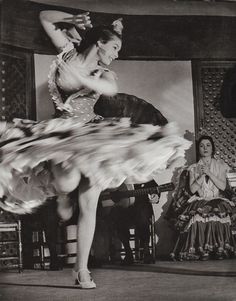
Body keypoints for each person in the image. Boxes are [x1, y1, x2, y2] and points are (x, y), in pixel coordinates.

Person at [0, 9, 191, 289]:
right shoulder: (67, 52)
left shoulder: (106, 74)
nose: (116, 54)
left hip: (91, 136)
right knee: (67, 183)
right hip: (62, 134)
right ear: (99, 42)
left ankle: (82, 270)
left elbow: (109, 90)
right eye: (114, 47)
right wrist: (72, 19)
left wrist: (85, 78)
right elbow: (44, 17)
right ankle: (63, 196)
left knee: (89, 204)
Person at [169, 135, 236, 261]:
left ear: (212, 148)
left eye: (208, 145)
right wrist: (202, 174)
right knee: (197, 217)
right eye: (201, 146)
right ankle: (200, 250)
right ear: (198, 149)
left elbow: (222, 186)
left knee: (220, 215)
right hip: (200, 199)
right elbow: (193, 190)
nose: (205, 148)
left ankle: (219, 250)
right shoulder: (193, 168)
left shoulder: (220, 166)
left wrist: (209, 172)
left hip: (216, 198)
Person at [110, 180, 159, 265]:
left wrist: (156, 195)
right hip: (124, 210)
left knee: (142, 214)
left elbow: (154, 186)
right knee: (116, 214)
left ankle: (146, 251)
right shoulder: (118, 172)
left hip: (141, 208)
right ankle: (128, 252)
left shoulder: (142, 171)